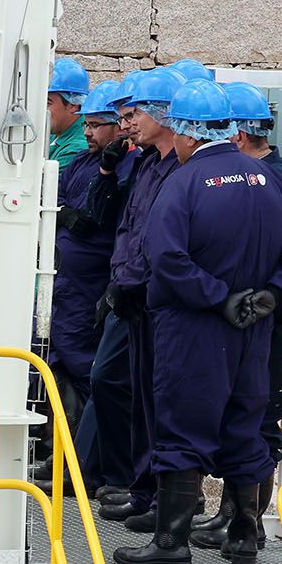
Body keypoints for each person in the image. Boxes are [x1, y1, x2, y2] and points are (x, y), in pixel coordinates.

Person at [114, 79, 282, 564]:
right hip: (255, 328)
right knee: (245, 422)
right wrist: (270, 295)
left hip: (195, 327)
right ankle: (245, 534)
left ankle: (172, 541)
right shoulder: (267, 178)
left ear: (184, 132)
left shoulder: (182, 183)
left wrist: (220, 297)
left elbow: (166, 257)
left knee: (182, 424)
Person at [191, 82, 282, 555]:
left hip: (265, 321)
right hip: (258, 314)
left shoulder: (268, 179)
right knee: (245, 415)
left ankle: (246, 520)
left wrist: (266, 298)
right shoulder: (262, 174)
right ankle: (235, 516)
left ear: (236, 134)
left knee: (257, 419)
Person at [97, 69, 183, 531]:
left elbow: (161, 240)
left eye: (138, 112)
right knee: (138, 398)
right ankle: (143, 488)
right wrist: (119, 281)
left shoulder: (180, 170)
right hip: (133, 293)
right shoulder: (150, 162)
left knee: (158, 400)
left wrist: (133, 283)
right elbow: (131, 229)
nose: (129, 122)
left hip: (154, 299)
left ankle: (159, 499)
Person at [43, 79, 132, 474]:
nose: (88, 131)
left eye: (97, 124)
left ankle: (82, 464)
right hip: (69, 283)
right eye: (89, 124)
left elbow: (99, 217)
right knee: (61, 361)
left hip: (89, 285)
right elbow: (55, 198)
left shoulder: (123, 166)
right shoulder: (86, 161)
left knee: (84, 368)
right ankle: (65, 452)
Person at [44, 57, 91, 168]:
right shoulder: (55, 132)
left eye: (47, 103)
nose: (42, 110)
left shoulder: (76, 148)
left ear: (73, 105)